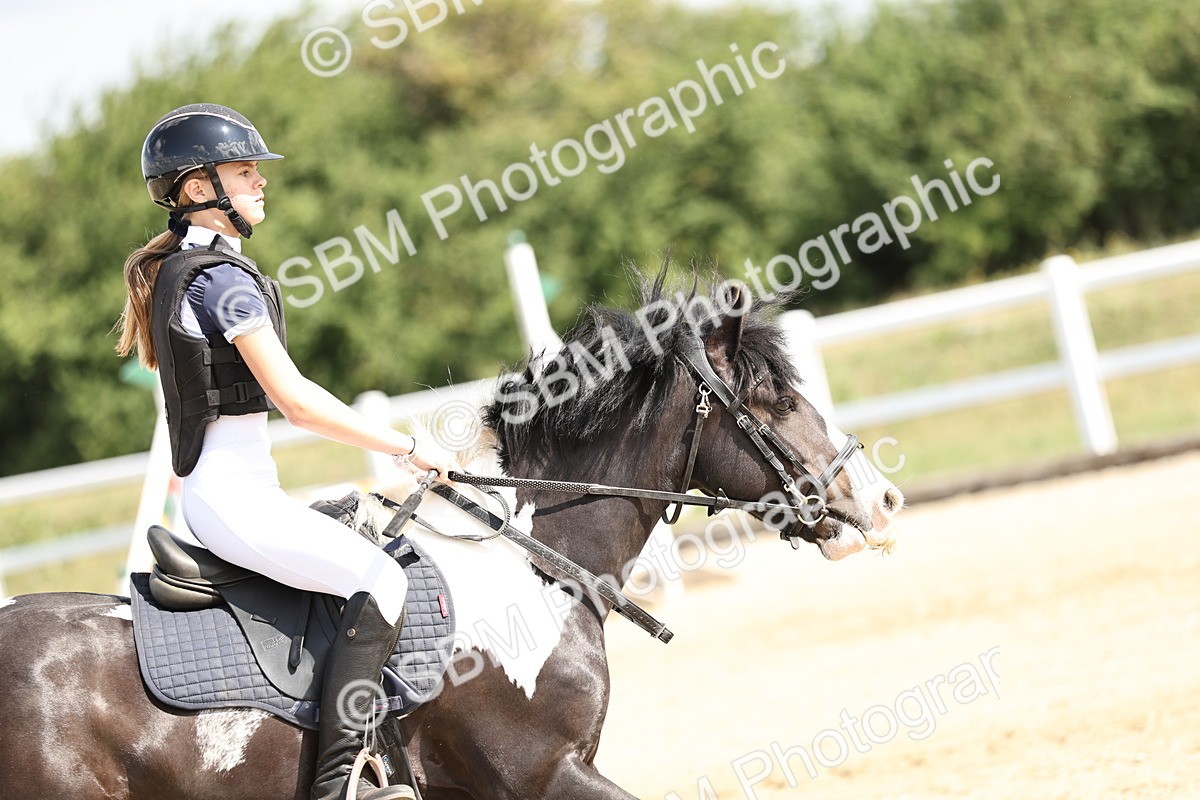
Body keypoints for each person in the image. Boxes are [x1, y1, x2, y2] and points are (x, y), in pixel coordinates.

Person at [115, 103, 456, 800]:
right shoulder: (220, 281)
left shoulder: (195, 270)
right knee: (382, 582)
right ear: (196, 188)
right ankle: (335, 790)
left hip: (236, 495)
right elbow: (294, 400)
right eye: (244, 172)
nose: (260, 183)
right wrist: (405, 446)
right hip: (235, 503)